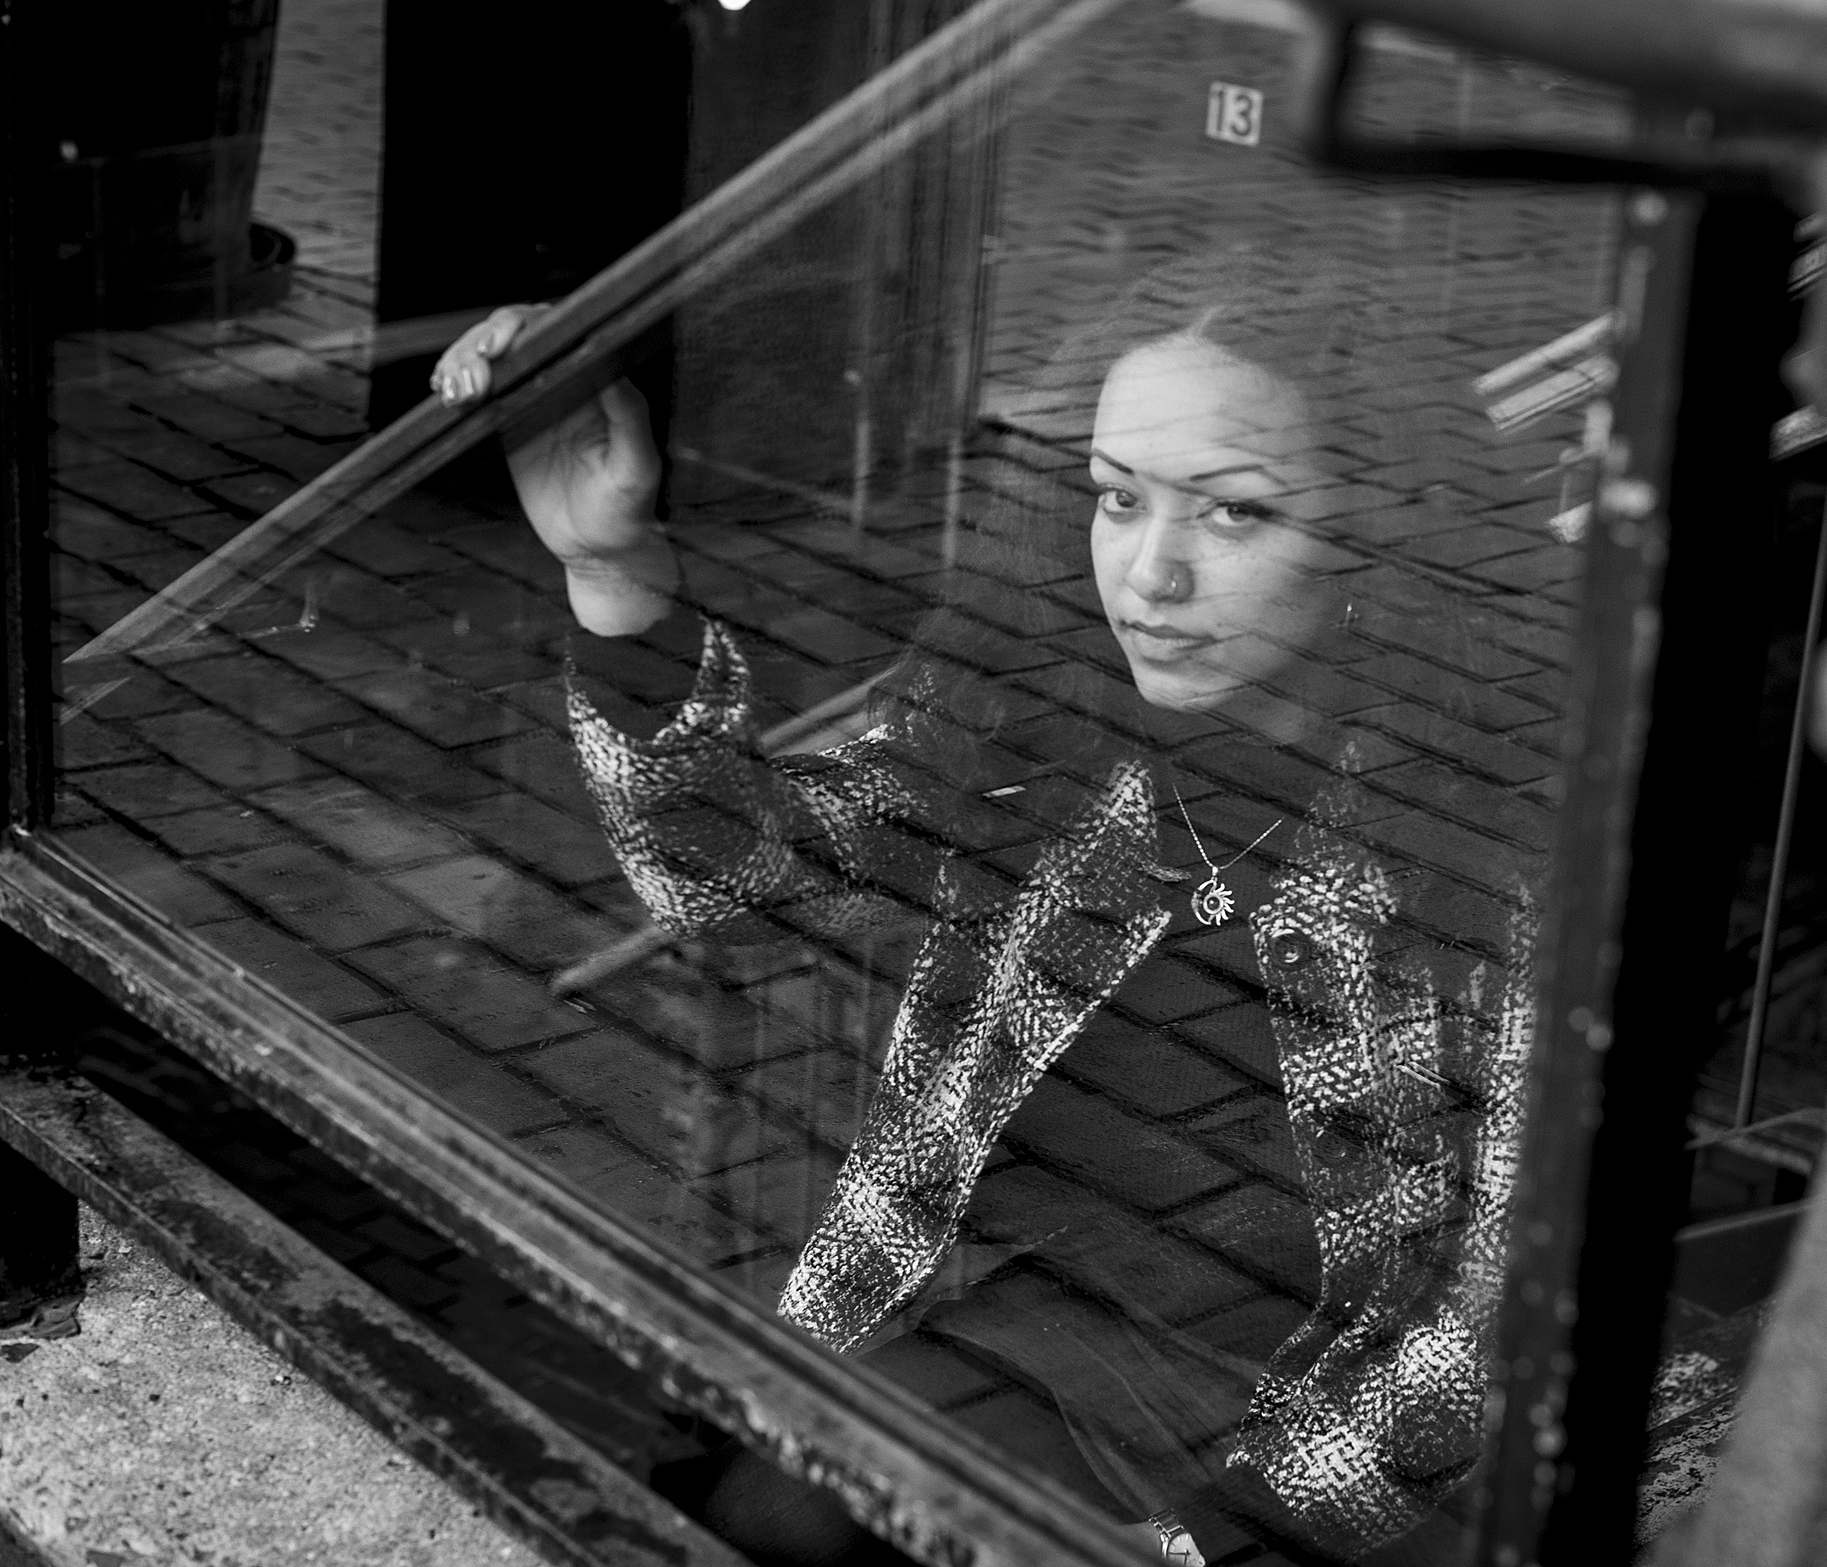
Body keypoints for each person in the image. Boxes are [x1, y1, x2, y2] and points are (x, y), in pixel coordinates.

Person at [433, 248, 1554, 1565]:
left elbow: (1500, 1307)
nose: (1152, 575)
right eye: (1117, 499)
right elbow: (742, 878)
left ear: (1373, 542)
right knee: (780, 1516)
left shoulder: (1484, 868)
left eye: (1235, 515)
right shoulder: (1033, 742)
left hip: (1291, 1453)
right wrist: (617, 569)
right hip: (969, 1350)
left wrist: (1220, 1543)